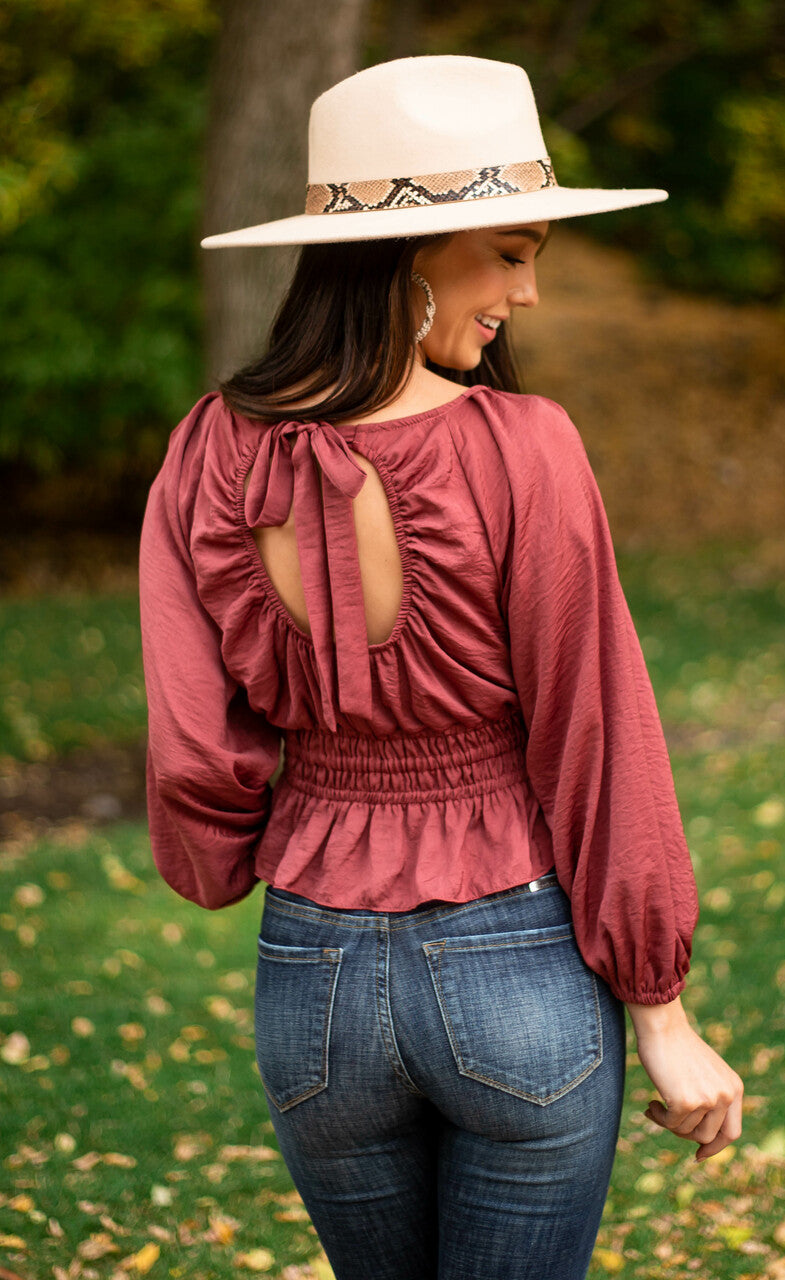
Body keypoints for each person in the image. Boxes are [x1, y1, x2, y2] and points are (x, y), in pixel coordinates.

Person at [139, 54, 743, 1280]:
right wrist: (661, 1010)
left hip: (310, 981)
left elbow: (197, 740)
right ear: (415, 258)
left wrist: (259, 833)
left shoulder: (211, 445)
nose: (524, 293)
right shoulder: (523, 448)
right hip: (511, 958)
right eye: (511, 253)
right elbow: (597, 731)